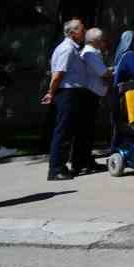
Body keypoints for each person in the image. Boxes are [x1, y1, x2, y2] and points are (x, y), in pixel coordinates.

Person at [41, 19, 87, 181]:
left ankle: (62, 165)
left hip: (71, 93)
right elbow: (58, 74)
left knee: (67, 131)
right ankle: (55, 169)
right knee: (63, 131)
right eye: (82, 29)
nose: (84, 32)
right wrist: (51, 92)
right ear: (73, 32)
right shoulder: (67, 49)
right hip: (66, 93)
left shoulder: (72, 48)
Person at [79, 27, 112, 174]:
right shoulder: (89, 53)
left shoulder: (93, 53)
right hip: (89, 94)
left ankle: (85, 159)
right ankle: (82, 160)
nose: (104, 42)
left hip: (91, 93)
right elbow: (103, 73)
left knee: (88, 129)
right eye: (102, 40)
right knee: (85, 129)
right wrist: (114, 70)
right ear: (95, 41)